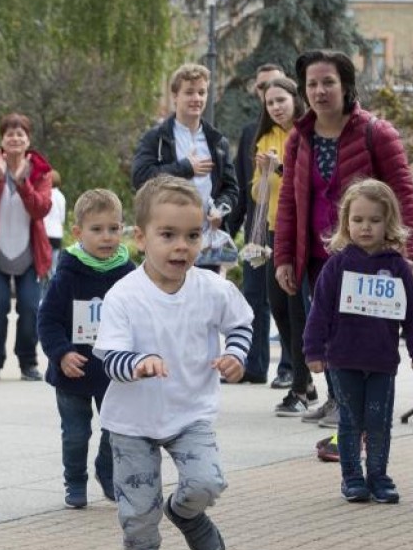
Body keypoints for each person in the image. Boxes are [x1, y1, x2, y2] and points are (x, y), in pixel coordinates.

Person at [94, 176, 252, 550]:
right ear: (140, 238)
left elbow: (241, 324)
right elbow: (108, 356)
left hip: (190, 414)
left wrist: (235, 356)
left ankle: (184, 512)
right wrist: (137, 364)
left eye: (192, 235)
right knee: (137, 508)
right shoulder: (124, 295)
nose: (181, 246)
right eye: (168, 235)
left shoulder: (213, 288)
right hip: (131, 421)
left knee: (207, 481)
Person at [274, 50, 413, 433]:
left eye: (328, 82)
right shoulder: (299, 139)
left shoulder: (377, 133)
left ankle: (357, 407)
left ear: (345, 86)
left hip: (367, 256)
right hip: (317, 256)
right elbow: (289, 200)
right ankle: (336, 397)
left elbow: (405, 197)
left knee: (359, 332)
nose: (320, 91)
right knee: (324, 328)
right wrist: (285, 257)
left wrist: (406, 253)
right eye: (312, 84)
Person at [303, 179, 413, 504]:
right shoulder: (338, 265)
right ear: (346, 221)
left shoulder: (398, 268)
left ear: (388, 222)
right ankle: (352, 478)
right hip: (343, 360)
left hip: (382, 362)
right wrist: (314, 350)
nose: (365, 227)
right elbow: (319, 310)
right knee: (350, 421)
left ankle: (378, 476)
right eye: (357, 220)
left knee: (378, 422)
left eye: (374, 220)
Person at [37, 188, 134, 508]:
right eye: (97, 230)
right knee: (76, 434)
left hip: (112, 372)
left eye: (114, 228)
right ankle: (75, 481)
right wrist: (61, 353)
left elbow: (140, 317)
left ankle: (107, 473)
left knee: (116, 429)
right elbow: (47, 320)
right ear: (78, 232)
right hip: (73, 373)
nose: (107, 237)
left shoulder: (128, 273)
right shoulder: (67, 274)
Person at [0, 112, 53, 381]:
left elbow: (42, 208)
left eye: (20, 134)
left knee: (30, 307)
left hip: (29, 256)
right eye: (9, 134)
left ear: (28, 139)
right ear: (2, 139)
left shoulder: (39, 169)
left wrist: (22, 182)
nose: (15, 138)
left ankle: (28, 362)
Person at [131, 63, 238, 273]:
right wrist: (184, 168)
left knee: (206, 304)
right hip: (166, 241)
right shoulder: (156, 138)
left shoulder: (218, 142)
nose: (196, 98)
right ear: (175, 96)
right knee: (168, 300)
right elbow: (140, 178)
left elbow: (231, 189)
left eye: (202, 92)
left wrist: (221, 209)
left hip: (206, 243)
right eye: (189, 92)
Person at [251, 78, 316, 417]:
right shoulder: (264, 139)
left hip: (304, 233)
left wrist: (279, 167)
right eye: (270, 103)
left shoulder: (307, 133)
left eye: (281, 100)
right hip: (276, 232)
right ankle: (303, 379)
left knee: (299, 310)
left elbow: (307, 180)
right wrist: (263, 174)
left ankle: (301, 385)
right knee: (278, 307)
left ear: (295, 99)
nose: (276, 107)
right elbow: (256, 195)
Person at [231, 64, 288, 385]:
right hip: (257, 229)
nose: (269, 94)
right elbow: (245, 187)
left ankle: (290, 370)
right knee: (254, 297)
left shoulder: (300, 132)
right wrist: (229, 228)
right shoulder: (253, 133)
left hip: (287, 228)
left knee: (286, 299)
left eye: (275, 87)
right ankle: (254, 365)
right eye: (262, 88)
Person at [43, 170, 67, 275]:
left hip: (44, 233)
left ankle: (42, 290)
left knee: (43, 267)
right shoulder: (61, 197)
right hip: (57, 234)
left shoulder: (44, 194)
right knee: (54, 267)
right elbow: (62, 218)